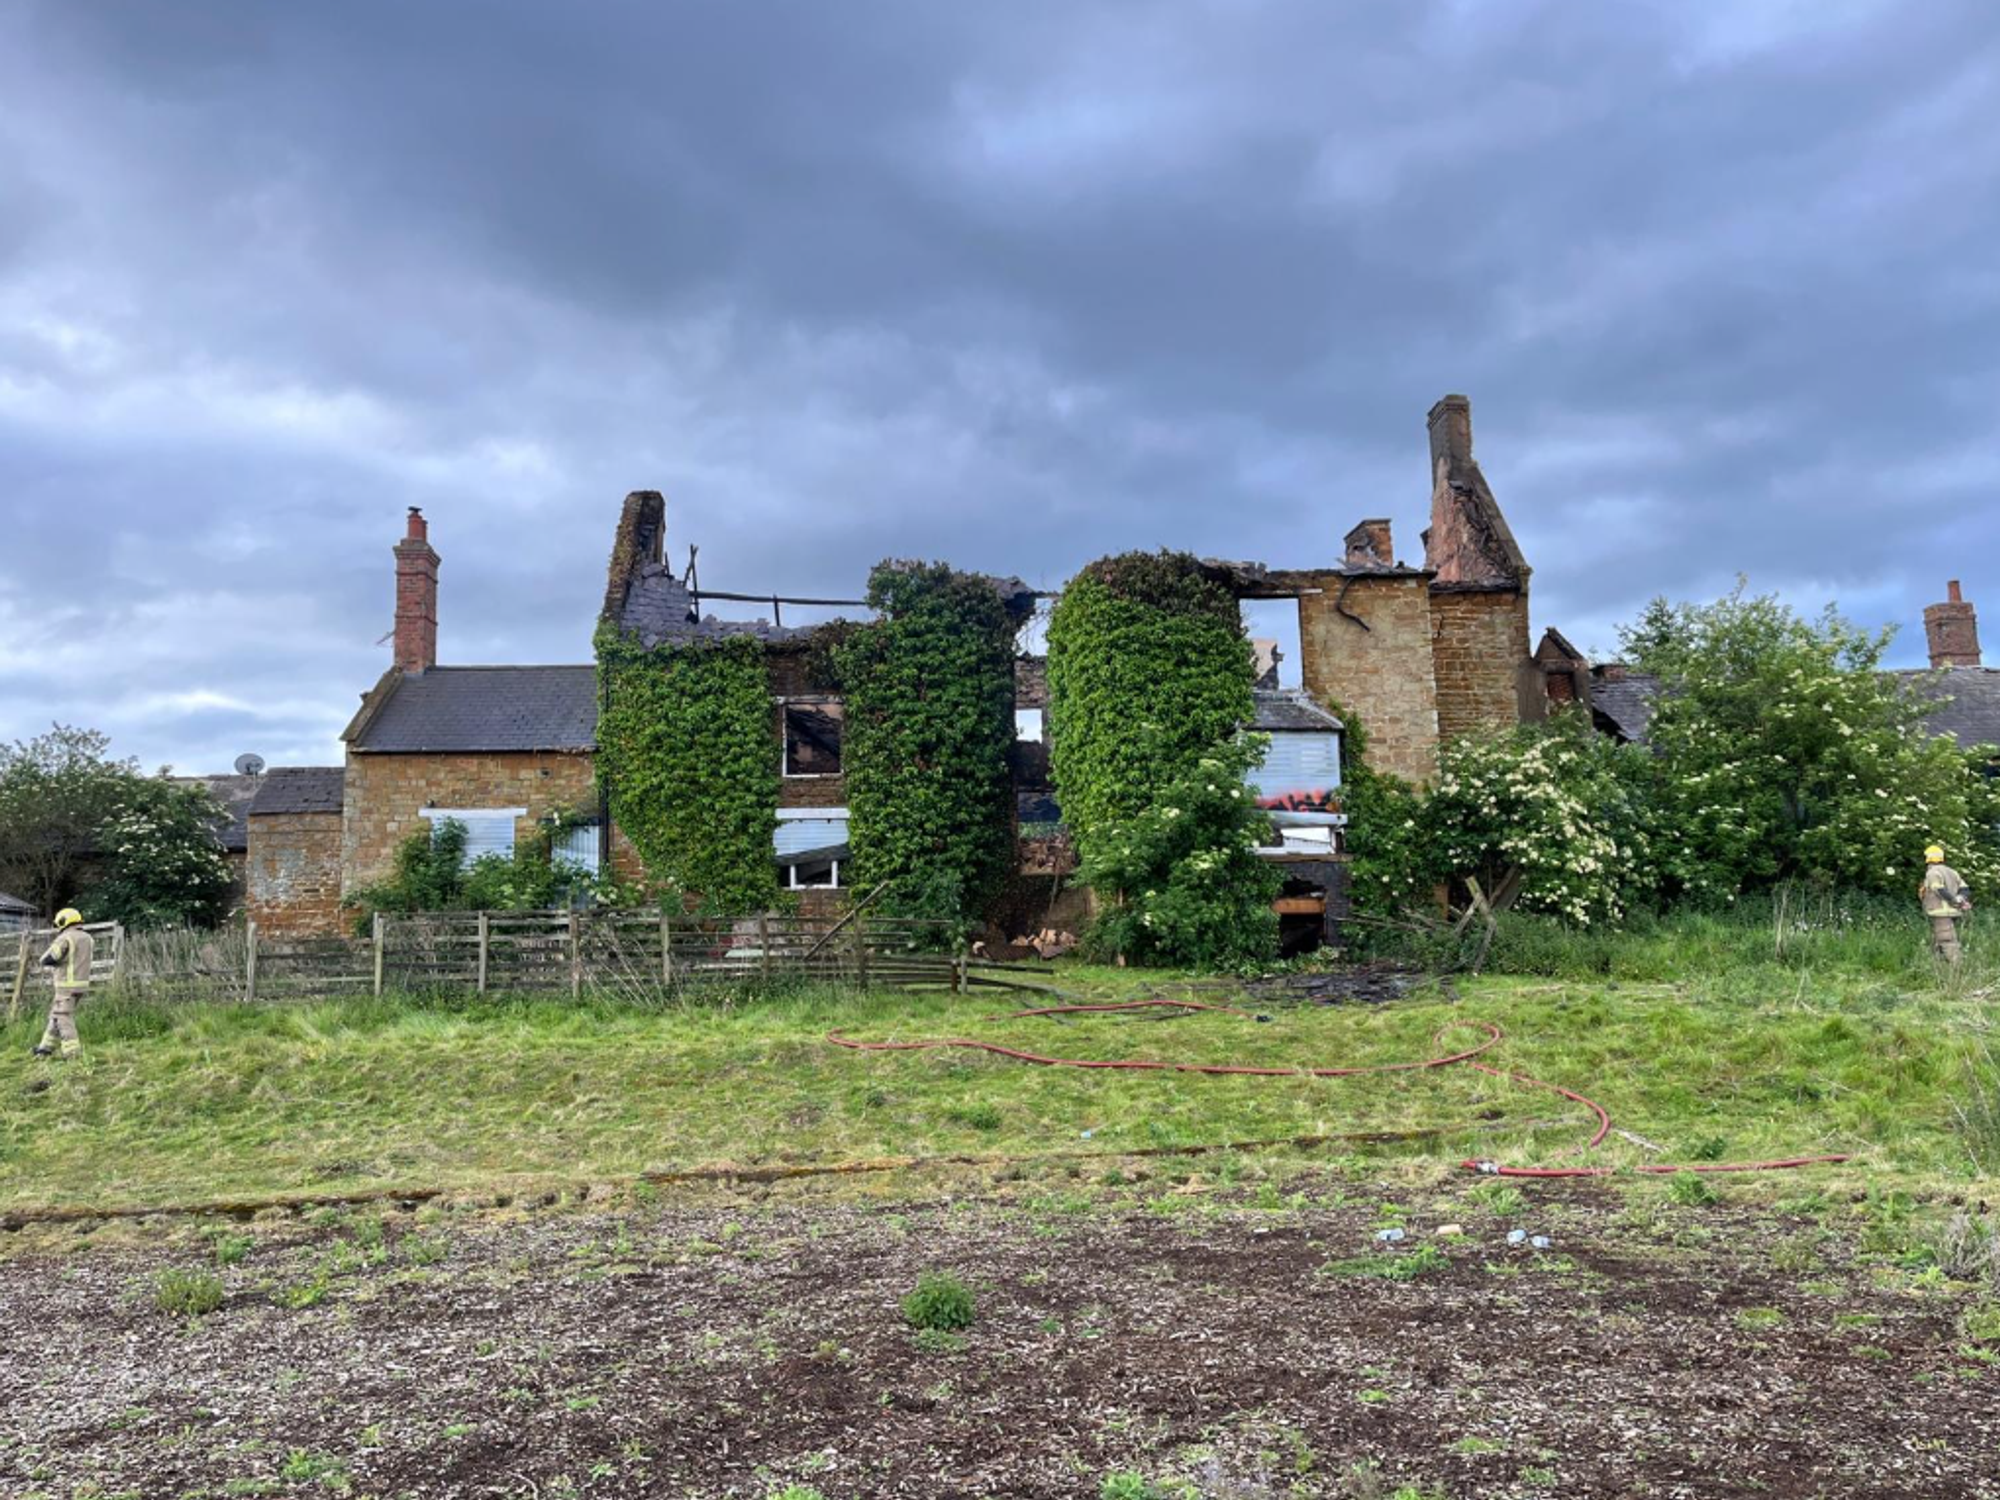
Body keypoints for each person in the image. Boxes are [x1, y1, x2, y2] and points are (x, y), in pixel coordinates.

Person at [35, 908, 94, 1059]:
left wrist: (45, 961)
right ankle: (45, 1048)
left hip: (65, 986)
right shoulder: (87, 938)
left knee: (63, 1017)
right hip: (81, 985)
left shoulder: (66, 937)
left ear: (63, 921)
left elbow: (49, 958)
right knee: (56, 1015)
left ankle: (73, 1053)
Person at [1919, 844, 1973, 965]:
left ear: (1928, 858)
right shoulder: (1952, 872)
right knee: (1937, 939)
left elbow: (1938, 890)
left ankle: (1957, 967)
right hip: (1953, 912)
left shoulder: (1932, 872)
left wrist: (1953, 900)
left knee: (1946, 939)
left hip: (1940, 912)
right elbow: (1965, 888)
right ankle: (1937, 965)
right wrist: (1960, 899)